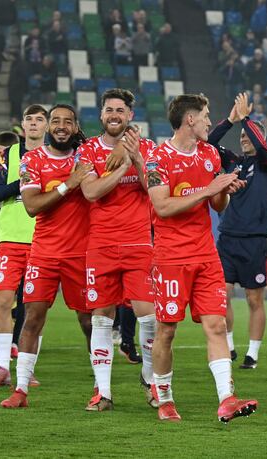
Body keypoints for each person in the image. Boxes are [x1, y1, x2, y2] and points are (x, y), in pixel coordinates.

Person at [144, 94, 256, 422]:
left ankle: (226, 399)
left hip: (206, 254)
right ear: (190, 119)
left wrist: (223, 190)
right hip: (170, 258)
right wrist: (208, 190)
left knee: (217, 325)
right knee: (166, 331)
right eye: (206, 116)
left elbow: (217, 206)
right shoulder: (156, 158)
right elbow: (162, 207)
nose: (210, 122)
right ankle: (164, 398)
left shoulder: (209, 154)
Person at [0, 104, 93, 409]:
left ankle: (100, 385)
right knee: (32, 319)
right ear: (49, 127)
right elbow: (32, 205)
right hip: (44, 253)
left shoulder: (87, 157)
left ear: (76, 127)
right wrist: (70, 183)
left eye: (68, 121)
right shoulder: (32, 160)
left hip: (81, 253)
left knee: (89, 321)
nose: (61, 126)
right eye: (56, 121)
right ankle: (21, 389)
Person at [76, 89, 158, 411]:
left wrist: (134, 157)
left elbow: (153, 189)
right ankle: (104, 393)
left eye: (120, 110)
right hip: (101, 246)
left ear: (129, 116)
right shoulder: (88, 151)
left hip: (139, 243)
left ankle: (150, 380)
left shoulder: (147, 148)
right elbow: (92, 191)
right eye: (109, 109)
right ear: (101, 115)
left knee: (149, 317)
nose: (114, 115)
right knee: (101, 320)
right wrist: (122, 167)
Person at [208, 92, 267, 370]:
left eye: (249, 136)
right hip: (228, 238)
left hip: (255, 241)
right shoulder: (235, 163)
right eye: (242, 136)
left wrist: (247, 119)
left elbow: (260, 143)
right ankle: (230, 345)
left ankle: (253, 354)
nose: (244, 138)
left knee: (253, 298)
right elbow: (208, 143)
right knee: (222, 294)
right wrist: (231, 120)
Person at [0, 107, 47, 387]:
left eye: (40, 120)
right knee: (3, 301)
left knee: (35, 308)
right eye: (30, 119)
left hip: (44, 239)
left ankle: (27, 369)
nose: (34, 124)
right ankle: (3, 366)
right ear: (23, 126)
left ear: (47, 126)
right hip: (11, 239)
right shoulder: (8, 156)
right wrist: (21, 185)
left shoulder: (56, 156)